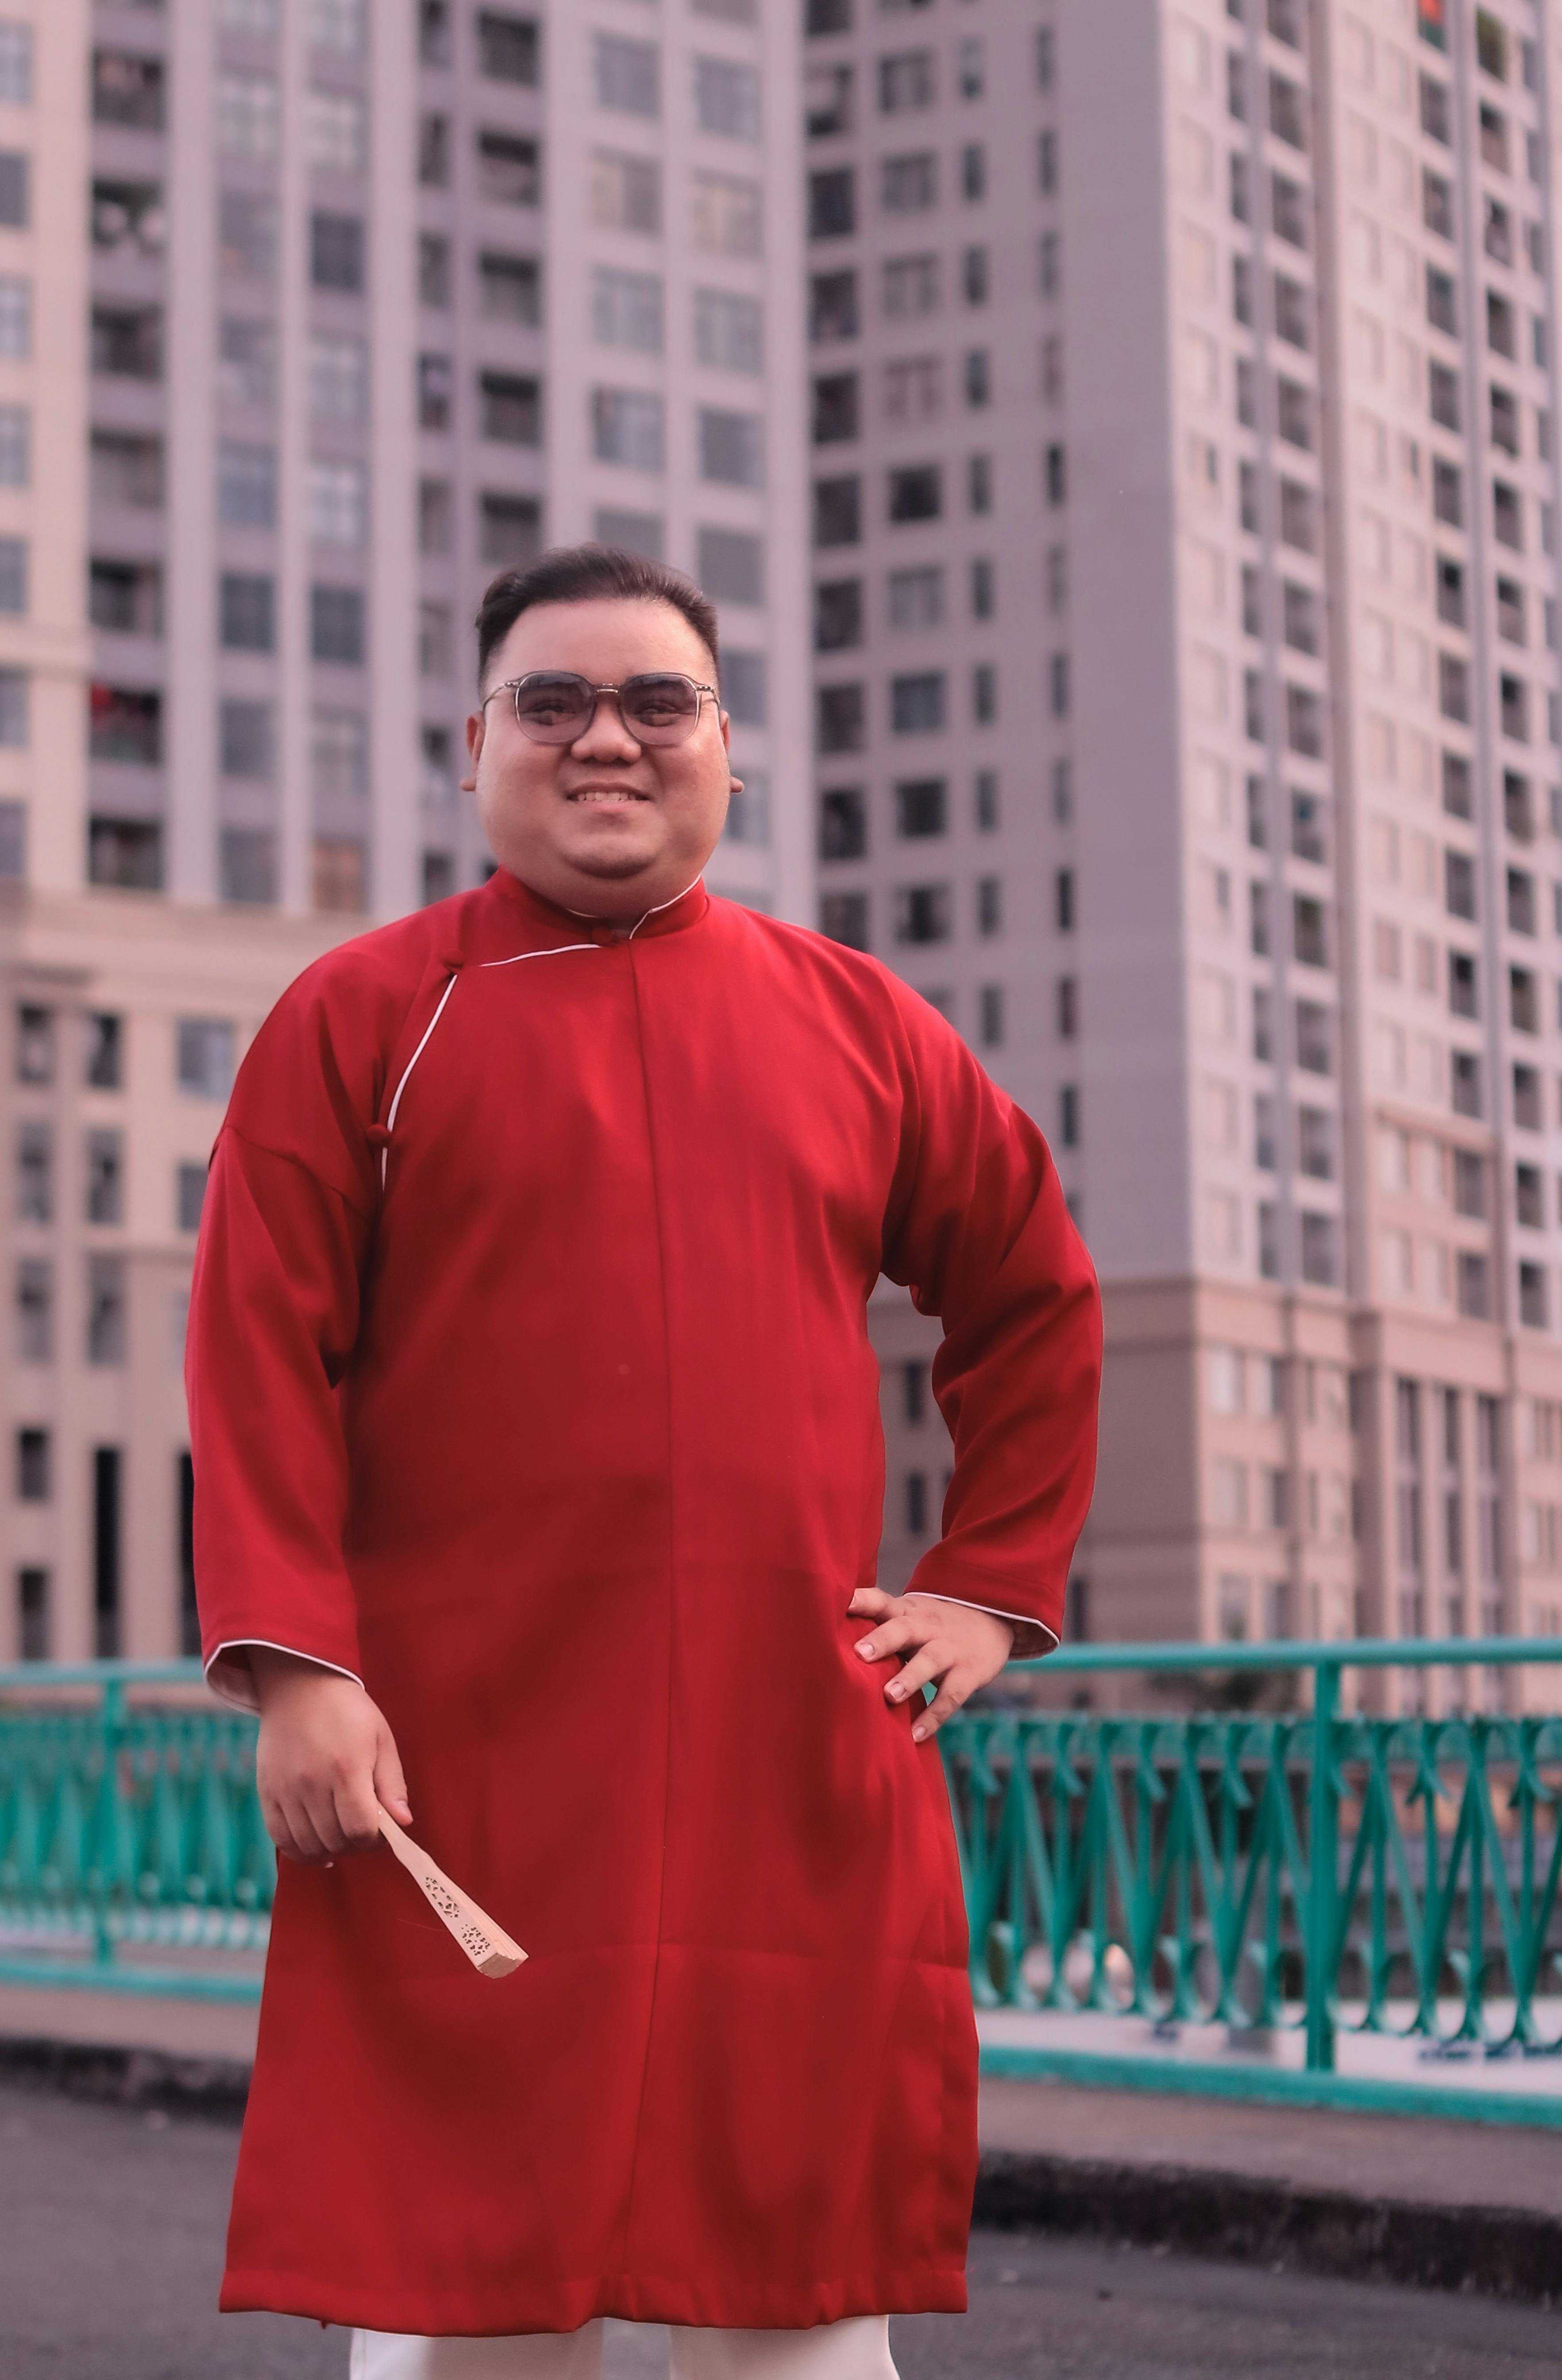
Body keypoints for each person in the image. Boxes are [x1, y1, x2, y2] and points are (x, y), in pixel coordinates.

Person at [187, 546, 1101, 2379]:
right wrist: (298, 1666)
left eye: (656, 701)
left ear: (726, 749)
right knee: (463, 2308)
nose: (607, 738)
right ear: (475, 746)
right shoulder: (363, 1013)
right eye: (554, 702)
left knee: (796, 2294)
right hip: (458, 1755)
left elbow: (1032, 1293)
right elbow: (257, 1357)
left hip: (788, 1748)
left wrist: (989, 1582)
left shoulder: (860, 1024)